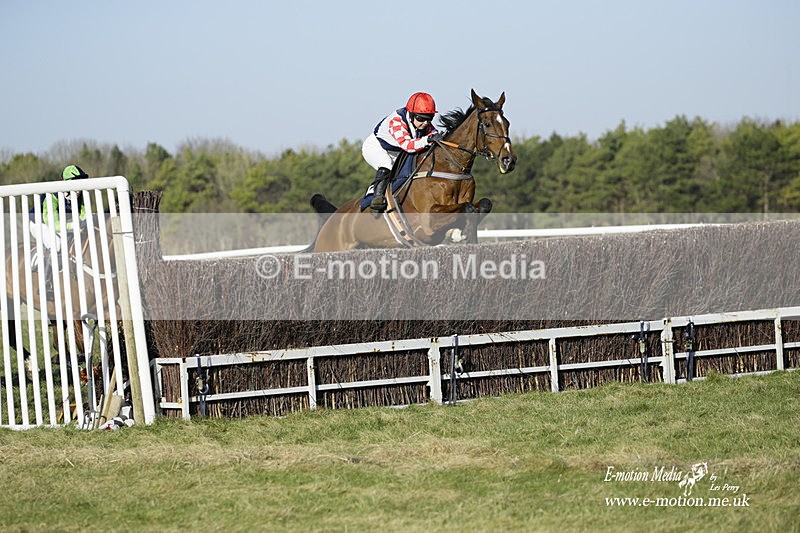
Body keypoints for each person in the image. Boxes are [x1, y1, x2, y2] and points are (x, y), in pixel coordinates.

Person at [361, 92, 443, 213]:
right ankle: (376, 198)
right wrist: (427, 140)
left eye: (429, 118)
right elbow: (407, 145)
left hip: (398, 152)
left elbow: (435, 135)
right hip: (376, 148)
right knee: (386, 164)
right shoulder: (396, 121)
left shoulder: (423, 123)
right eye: (421, 118)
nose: (425, 123)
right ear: (411, 114)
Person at [29, 164, 90, 279]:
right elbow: (54, 225)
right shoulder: (52, 196)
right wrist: (75, 224)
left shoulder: (81, 196)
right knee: (56, 243)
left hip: (61, 223)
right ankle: (46, 282)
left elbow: (84, 216)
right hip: (40, 223)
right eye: (75, 183)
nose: (79, 189)